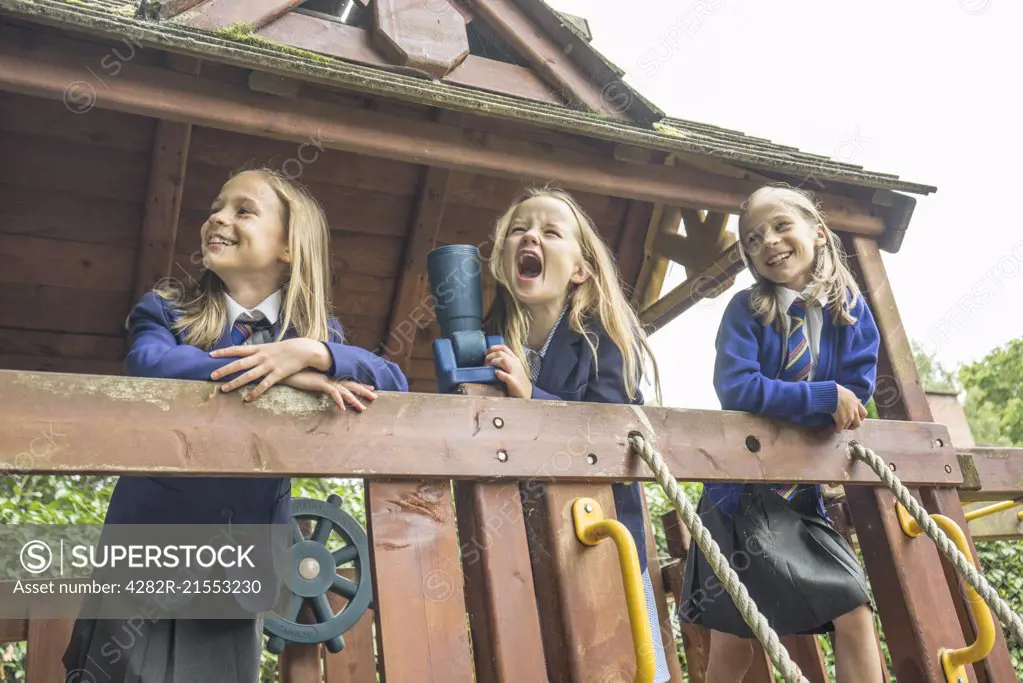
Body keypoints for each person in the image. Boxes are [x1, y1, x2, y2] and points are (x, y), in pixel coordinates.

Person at [63, 167, 408, 682]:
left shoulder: (315, 337)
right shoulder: (165, 311)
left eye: (243, 210)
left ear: (289, 247)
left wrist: (308, 352)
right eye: (216, 208)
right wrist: (272, 370)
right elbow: (152, 369)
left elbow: (393, 381)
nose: (218, 218)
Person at [679, 184, 884, 682]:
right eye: (752, 239)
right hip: (737, 499)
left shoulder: (851, 315)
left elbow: (853, 396)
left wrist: (830, 402)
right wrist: (819, 400)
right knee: (735, 643)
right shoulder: (746, 311)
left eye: (780, 226)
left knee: (854, 609)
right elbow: (738, 388)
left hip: (799, 501)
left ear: (818, 231)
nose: (767, 242)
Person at [482, 186, 671, 682]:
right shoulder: (494, 342)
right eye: (519, 229)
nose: (531, 236)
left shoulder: (604, 334)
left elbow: (615, 431)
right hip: (523, 545)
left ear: (581, 269)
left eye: (550, 231)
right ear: (505, 258)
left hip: (601, 539)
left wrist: (532, 401)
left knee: (626, 664)